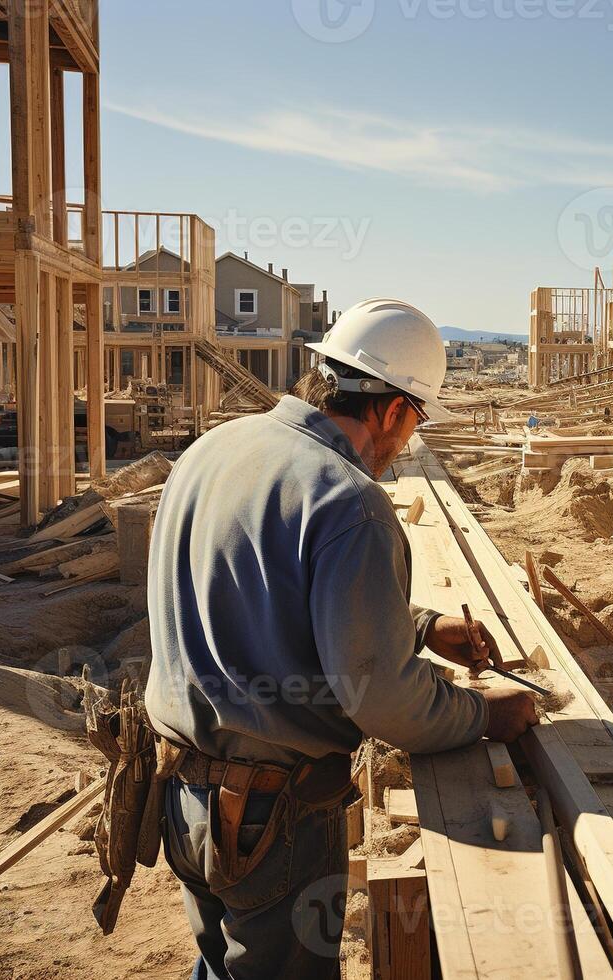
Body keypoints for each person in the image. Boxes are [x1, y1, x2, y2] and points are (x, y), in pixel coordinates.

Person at [145, 297, 539, 980]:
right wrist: (484, 712)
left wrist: (416, 627)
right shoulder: (351, 501)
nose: (406, 444)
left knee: (220, 969)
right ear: (389, 410)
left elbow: (261, 595)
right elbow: (380, 698)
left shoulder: (211, 453)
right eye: (412, 423)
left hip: (181, 797)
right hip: (272, 819)